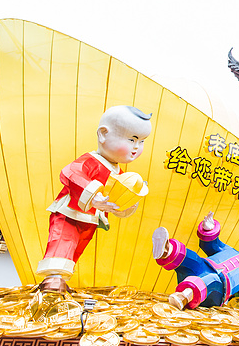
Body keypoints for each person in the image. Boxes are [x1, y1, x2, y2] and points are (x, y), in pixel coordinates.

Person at [37, 105, 153, 291]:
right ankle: (53, 279)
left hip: (90, 219)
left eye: (141, 141)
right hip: (70, 212)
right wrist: (94, 196)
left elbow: (118, 198)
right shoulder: (91, 161)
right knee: (64, 240)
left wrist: (125, 204)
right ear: (103, 134)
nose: (136, 148)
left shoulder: (118, 172)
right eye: (132, 139)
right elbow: (70, 173)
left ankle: (60, 280)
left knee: (76, 248)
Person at [152, 211, 239, 321]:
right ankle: (166, 250)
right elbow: (212, 245)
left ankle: (183, 297)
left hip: (217, 291)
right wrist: (209, 229)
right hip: (204, 266)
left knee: (211, 280)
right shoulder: (229, 250)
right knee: (192, 258)